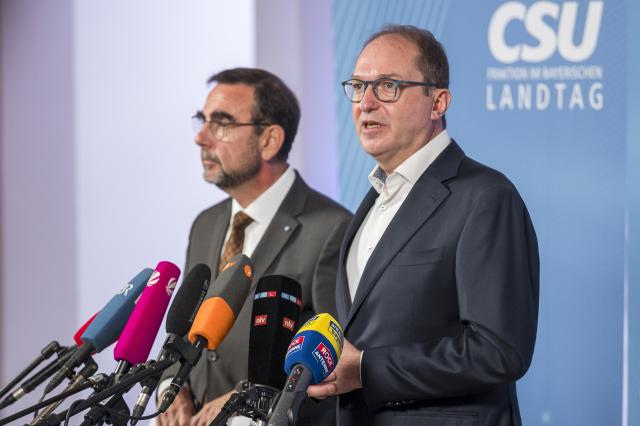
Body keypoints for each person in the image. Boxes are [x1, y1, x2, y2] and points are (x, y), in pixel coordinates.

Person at [307, 25, 539, 426]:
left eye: (388, 86)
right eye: (358, 86)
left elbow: (499, 351)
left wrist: (366, 370)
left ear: (438, 102)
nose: (366, 102)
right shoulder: (372, 201)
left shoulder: (485, 197)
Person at [157, 68, 351, 426]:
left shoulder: (332, 228)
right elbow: (183, 331)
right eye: (202, 120)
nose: (201, 137)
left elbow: (333, 359)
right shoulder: (205, 224)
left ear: (269, 140)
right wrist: (171, 387)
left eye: (222, 123)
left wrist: (249, 400)